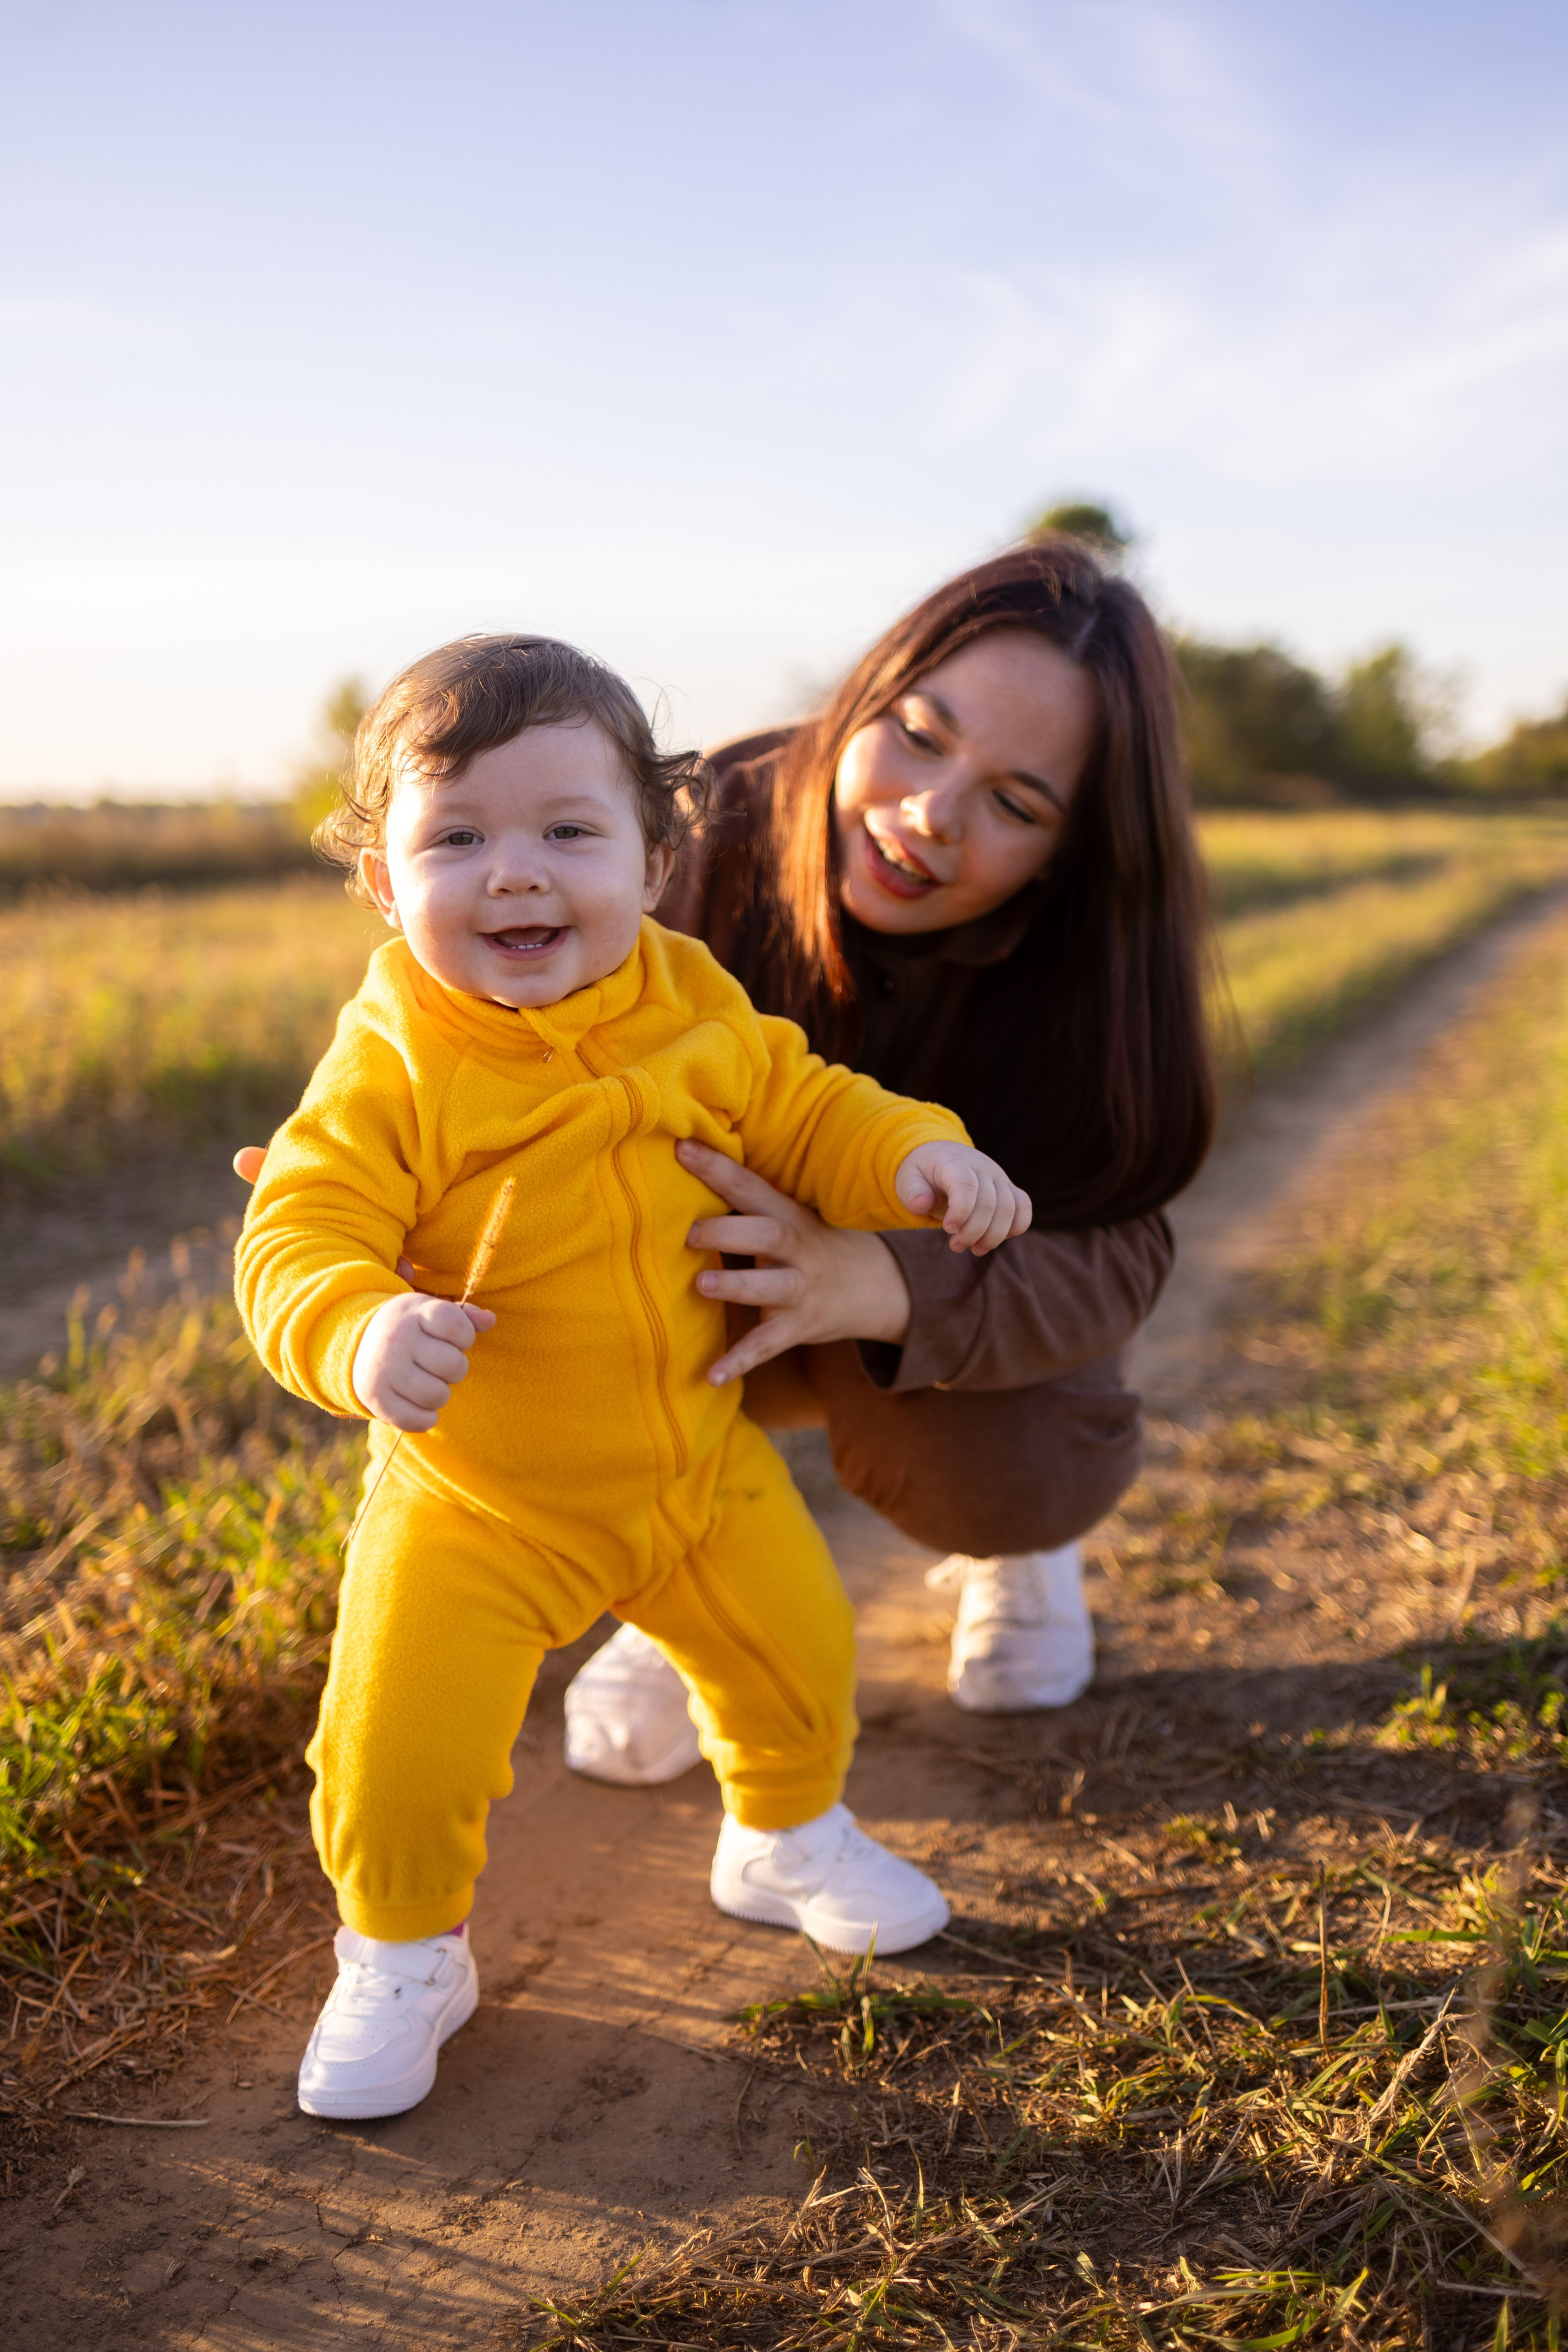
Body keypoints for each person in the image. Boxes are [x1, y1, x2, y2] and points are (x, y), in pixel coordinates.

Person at [235, 633, 1033, 2122]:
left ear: (656, 862)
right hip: (481, 1495)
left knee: (795, 1651)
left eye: (566, 831)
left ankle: (783, 1837)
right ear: (382, 884)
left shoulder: (690, 1002)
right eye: (456, 838)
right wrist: (352, 1328)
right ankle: (403, 1951)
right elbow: (299, 1227)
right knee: (397, 1744)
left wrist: (918, 1155)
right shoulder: (393, 1058)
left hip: (688, 1464)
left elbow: (808, 1108)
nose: (515, 873)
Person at [562, 537, 1214, 1787]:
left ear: (1069, 856)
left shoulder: (1094, 960)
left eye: (1015, 803)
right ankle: (686, 1570)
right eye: (917, 734)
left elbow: (1115, 1243)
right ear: (864, 691)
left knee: (1011, 1477)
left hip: (909, 1285)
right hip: (676, 1266)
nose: (928, 816)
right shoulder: (682, 840)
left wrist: (875, 1284)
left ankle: (1017, 1556)